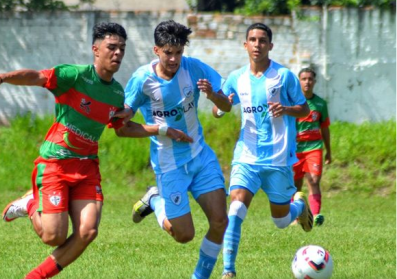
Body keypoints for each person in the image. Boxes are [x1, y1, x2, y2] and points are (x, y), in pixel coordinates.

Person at [0, 22, 127, 279]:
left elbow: (122, 127)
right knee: (53, 236)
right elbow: (37, 77)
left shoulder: (117, 93)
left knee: (88, 231)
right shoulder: (75, 75)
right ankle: (30, 204)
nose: (118, 53)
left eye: (122, 48)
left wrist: (162, 130)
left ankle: (34, 277)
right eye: (112, 47)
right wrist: (1, 77)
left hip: (87, 167)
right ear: (95, 50)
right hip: (56, 163)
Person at [114, 20, 231, 279]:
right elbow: (123, 127)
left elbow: (227, 105)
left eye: (179, 52)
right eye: (168, 52)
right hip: (169, 166)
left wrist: (213, 95)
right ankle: (155, 200)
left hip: (200, 157)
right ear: (156, 50)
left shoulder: (194, 68)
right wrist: (161, 129)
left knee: (220, 221)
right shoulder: (142, 80)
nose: (174, 58)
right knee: (184, 235)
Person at [213, 23, 312, 279]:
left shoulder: (285, 76)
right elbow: (219, 108)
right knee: (235, 209)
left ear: (270, 45)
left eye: (262, 40)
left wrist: (286, 109)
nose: (257, 44)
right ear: (245, 45)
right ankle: (228, 271)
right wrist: (220, 106)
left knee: (280, 221)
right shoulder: (236, 77)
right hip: (246, 157)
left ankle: (299, 208)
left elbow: (304, 110)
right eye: (252, 40)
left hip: (278, 160)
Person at [293, 68, 331, 227]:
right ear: (299, 81)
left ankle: (315, 215)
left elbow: (325, 128)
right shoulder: (293, 102)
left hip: (314, 148)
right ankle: (297, 217)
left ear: (314, 82)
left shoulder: (320, 104)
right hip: (295, 149)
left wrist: (329, 151)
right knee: (295, 184)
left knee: (314, 181)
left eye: (310, 79)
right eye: (303, 79)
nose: (307, 82)